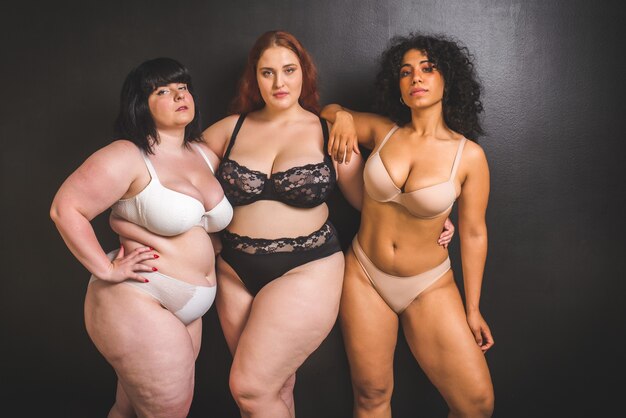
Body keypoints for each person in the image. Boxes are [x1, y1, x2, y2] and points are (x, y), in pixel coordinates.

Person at [321, 33, 495, 417]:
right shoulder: (383, 131)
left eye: (428, 69)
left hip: (427, 284)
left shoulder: (469, 157)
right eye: (406, 72)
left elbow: (474, 232)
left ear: (447, 81)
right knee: (371, 396)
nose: (416, 77)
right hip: (365, 274)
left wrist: (473, 308)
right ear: (398, 87)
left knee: (477, 404)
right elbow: (326, 109)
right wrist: (345, 117)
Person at [50, 57, 232, 418]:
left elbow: (254, 129)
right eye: (163, 90)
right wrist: (107, 269)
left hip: (188, 308)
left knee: (129, 408)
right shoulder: (128, 155)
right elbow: (65, 209)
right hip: (140, 299)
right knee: (168, 412)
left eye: (183, 87)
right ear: (141, 105)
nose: (179, 95)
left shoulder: (202, 153)